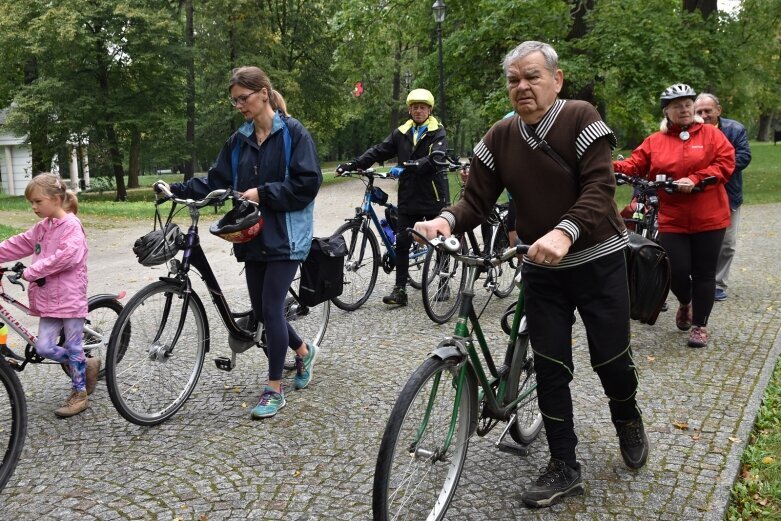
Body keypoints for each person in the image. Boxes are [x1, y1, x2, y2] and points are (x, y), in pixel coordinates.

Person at [414, 41, 648, 508]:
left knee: (611, 359)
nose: (522, 86)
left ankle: (627, 415)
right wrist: (446, 221)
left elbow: (601, 186)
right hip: (541, 269)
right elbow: (476, 200)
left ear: (556, 80)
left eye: (532, 76)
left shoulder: (581, 117)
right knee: (553, 366)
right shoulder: (501, 136)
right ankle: (564, 465)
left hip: (597, 261)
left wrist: (565, 231)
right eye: (513, 79)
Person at [170, 66, 322, 419]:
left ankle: (273, 389)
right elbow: (216, 180)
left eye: (244, 98)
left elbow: (307, 184)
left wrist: (262, 193)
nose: (239, 105)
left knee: (270, 309)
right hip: (251, 235)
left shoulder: (294, 134)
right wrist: (175, 191)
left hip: (286, 235)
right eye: (235, 100)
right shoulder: (238, 142)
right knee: (263, 310)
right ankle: (302, 351)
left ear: (263, 93)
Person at [614, 84, 735, 348]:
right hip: (673, 217)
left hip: (709, 217)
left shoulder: (711, 136)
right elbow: (635, 164)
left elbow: (725, 163)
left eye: (688, 104)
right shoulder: (655, 141)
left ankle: (700, 325)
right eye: (677, 105)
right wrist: (610, 167)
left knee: (704, 273)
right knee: (675, 271)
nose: (684, 109)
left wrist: (695, 179)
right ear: (666, 111)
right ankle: (685, 301)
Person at [336, 88, 449, 306]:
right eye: (415, 107)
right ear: (409, 110)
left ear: (429, 110)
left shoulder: (438, 132)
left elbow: (435, 159)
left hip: (432, 195)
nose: (418, 111)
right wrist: (354, 164)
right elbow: (379, 151)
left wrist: (407, 166)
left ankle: (443, 282)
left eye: (422, 107)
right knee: (402, 243)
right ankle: (400, 291)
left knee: (439, 240)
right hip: (408, 196)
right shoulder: (402, 132)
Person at [0, 173, 99, 417]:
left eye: (38, 201)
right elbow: (18, 244)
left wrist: (32, 271)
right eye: (31, 203)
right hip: (48, 299)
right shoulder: (42, 228)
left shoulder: (72, 226)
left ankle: (79, 394)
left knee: (73, 346)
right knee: (44, 347)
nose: (34, 207)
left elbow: (67, 257)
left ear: (56, 199)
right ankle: (87, 364)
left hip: (69, 296)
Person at [694, 93, 752, 302]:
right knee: (698, 240)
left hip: (728, 194)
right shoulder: (688, 131)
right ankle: (699, 279)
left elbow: (744, 156)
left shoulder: (734, 130)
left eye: (708, 111)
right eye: (699, 112)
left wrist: (715, 170)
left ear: (718, 110)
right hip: (696, 195)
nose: (704, 115)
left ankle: (717, 283)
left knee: (727, 243)